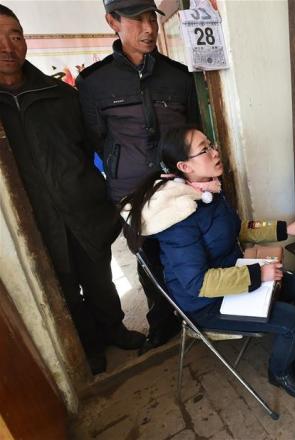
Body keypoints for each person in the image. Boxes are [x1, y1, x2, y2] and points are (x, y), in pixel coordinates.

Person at [120, 126, 295, 398]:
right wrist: (259, 275)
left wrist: (285, 229)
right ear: (184, 166)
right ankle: (279, 372)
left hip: (231, 276)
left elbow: (235, 228)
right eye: (204, 150)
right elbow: (197, 283)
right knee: (294, 320)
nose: (215, 152)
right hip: (205, 303)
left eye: (211, 145)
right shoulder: (178, 217)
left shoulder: (207, 190)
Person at [0, 5, 144, 374]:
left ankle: (114, 330)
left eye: (15, 35)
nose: (7, 46)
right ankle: (87, 345)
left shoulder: (59, 95)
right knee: (62, 289)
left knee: (99, 278)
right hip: (33, 223)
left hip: (83, 208)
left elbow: (93, 146)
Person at [77, 0, 202, 352]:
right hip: (130, 191)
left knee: (187, 251)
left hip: (178, 185)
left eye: (152, 19)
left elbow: (193, 130)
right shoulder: (94, 82)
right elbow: (96, 138)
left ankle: (199, 313)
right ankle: (162, 323)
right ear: (112, 22)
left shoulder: (178, 77)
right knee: (148, 261)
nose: (148, 28)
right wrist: (124, 164)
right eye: (136, 20)